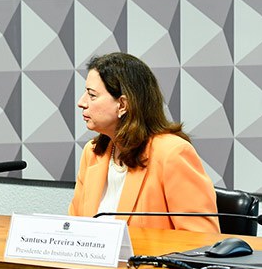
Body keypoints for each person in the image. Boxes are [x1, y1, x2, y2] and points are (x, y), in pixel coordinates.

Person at [69, 52, 219, 231]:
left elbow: (201, 239)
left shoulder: (172, 153)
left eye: (92, 95)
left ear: (123, 105)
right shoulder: (93, 152)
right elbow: (74, 227)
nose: (81, 102)